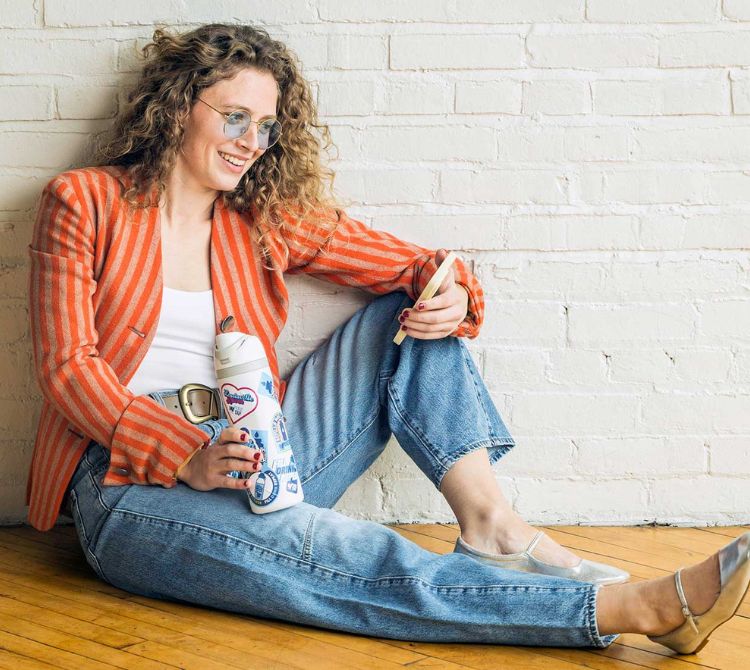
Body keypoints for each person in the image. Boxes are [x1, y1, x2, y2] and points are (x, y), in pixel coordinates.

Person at [26, 23, 749, 652]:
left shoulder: (261, 215)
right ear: (180, 104)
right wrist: (185, 453)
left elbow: (420, 267)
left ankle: (492, 525)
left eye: (266, 126)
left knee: (408, 311)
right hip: (133, 483)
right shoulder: (84, 201)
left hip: (266, 447)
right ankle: (634, 611)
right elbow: (67, 369)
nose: (252, 142)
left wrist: (453, 296)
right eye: (236, 117)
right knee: (325, 549)